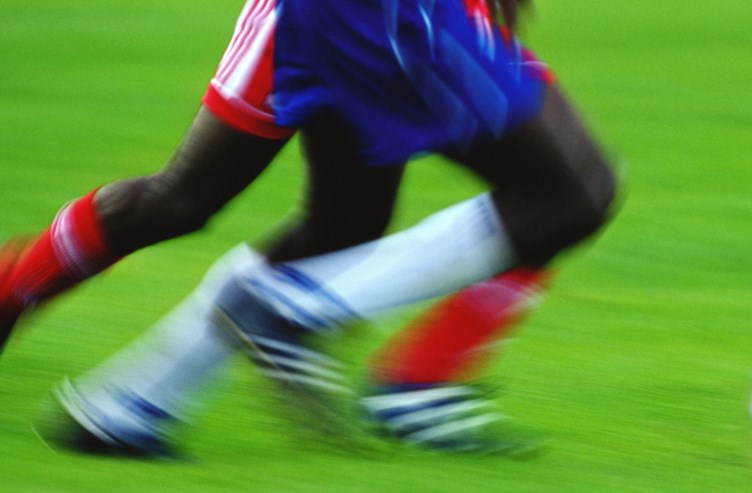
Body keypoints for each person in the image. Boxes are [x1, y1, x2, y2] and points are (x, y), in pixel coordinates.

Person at [13, 0, 616, 456]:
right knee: (571, 191)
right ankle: (303, 314)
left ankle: (125, 409)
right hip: (382, 18)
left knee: (340, 225)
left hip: (343, 17)